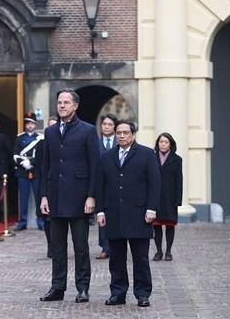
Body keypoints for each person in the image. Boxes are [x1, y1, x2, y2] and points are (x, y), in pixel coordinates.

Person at [39, 89, 100, 303]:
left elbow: (95, 166)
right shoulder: (50, 132)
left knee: (81, 247)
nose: (62, 105)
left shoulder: (88, 130)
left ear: (75, 106)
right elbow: (46, 165)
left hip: (79, 197)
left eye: (66, 102)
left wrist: (91, 196)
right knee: (57, 247)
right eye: (59, 102)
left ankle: (83, 287)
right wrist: (44, 196)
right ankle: (58, 287)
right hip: (55, 196)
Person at [95, 120, 161, 307]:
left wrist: (151, 209)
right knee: (116, 258)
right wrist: (100, 211)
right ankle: (118, 293)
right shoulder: (106, 157)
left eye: (125, 132)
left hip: (139, 214)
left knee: (140, 258)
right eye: (119, 133)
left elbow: (155, 184)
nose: (122, 136)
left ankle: (142, 293)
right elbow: (100, 186)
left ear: (133, 134)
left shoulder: (147, 154)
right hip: (114, 214)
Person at [152, 132, 183, 262]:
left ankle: (168, 251)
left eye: (166, 142)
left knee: (170, 225)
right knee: (156, 226)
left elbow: (179, 180)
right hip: (155, 196)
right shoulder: (152, 158)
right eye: (161, 142)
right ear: (157, 144)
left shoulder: (177, 159)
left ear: (170, 144)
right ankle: (158, 251)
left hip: (170, 198)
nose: (163, 144)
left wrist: (178, 199)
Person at [12, 111, 44, 231]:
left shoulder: (40, 139)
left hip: (35, 171)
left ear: (35, 125)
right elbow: (15, 154)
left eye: (32, 123)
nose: (30, 126)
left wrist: (31, 163)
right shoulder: (19, 138)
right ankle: (23, 221)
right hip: (22, 171)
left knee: (38, 197)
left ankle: (40, 221)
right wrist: (23, 162)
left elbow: (41, 156)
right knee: (23, 198)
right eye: (28, 123)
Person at [34, 115, 58, 257]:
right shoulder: (41, 144)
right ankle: (51, 244)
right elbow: (38, 165)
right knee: (47, 218)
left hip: (59, 184)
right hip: (45, 184)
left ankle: (58, 245)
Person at [95, 113, 118, 260]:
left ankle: (116, 245)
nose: (106, 127)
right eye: (104, 124)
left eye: (109, 124)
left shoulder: (120, 142)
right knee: (101, 215)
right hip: (100, 184)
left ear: (114, 127)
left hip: (117, 184)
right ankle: (105, 247)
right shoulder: (94, 143)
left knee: (117, 216)